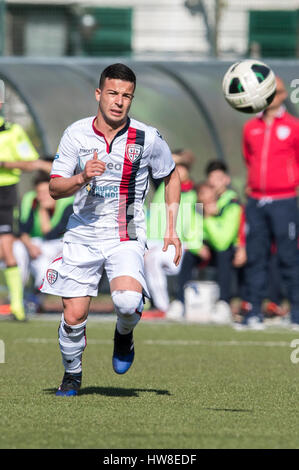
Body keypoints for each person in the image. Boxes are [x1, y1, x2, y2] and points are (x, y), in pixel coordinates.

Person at [39, 63, 182, 396]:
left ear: (132, 99)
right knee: (74, 317)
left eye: (127, 95)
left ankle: (124, 333)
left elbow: (171, 175)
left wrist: (171, 228)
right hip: (82, 235)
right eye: (113, 93)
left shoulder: (147, 137)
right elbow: (54, 188)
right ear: (99, 94)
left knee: (128, 301)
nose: (119, 101)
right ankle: (72, 375)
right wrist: (81, 177)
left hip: (126, 233)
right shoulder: (76, 133)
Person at [242, 76, 299, 328]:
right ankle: (253, 311)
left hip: (284, 201)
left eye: (274, 92)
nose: (271, 97)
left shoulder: (294, 126)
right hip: (256, 201)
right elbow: (249, 158)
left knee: (288, 257)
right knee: (256, 257)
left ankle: (296, 312)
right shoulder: (250, 127)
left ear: (284, 95)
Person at [168, 165, 244, 320]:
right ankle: (180, 302)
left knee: (224, 254)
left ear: (226, 180)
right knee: (188, 255)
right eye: (211, 179)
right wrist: (197, 247)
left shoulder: (232, 204)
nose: (214, 184)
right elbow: (190, 231)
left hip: (224, 250)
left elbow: (223, 241)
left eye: (218, 179)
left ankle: (223, 304)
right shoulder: (198, 206)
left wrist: (209, 218)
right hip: (206, 250)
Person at [0, 103, 51, 321]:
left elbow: (32, 162)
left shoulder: (14, 132)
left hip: (5, 193)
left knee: (7, 249)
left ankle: (17, 306)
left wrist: (5, 163)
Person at [13, 171, 74, 313]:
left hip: (59, 243)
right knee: (18, 248)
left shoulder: (66, 203)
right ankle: (17, 294)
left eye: (46, 192)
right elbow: (23, 230)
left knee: (44, 254)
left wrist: (43, 211)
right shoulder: (30, 200)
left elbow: (51, 233)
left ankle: (36, 295)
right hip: (36, 243)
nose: (42, 196)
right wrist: (29, 246)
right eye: (39, 192)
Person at [144, 149, 197, 313]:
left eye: (181, 168)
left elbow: (197, 222)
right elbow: (154, 166)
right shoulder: (163, 187)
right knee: (135, 256)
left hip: (178, 244)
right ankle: (143, 303)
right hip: (154, 241)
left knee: (151, 259)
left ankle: (162, 306)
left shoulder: (195, 194)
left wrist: (193, 243)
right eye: (174, 168)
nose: (177, 172)